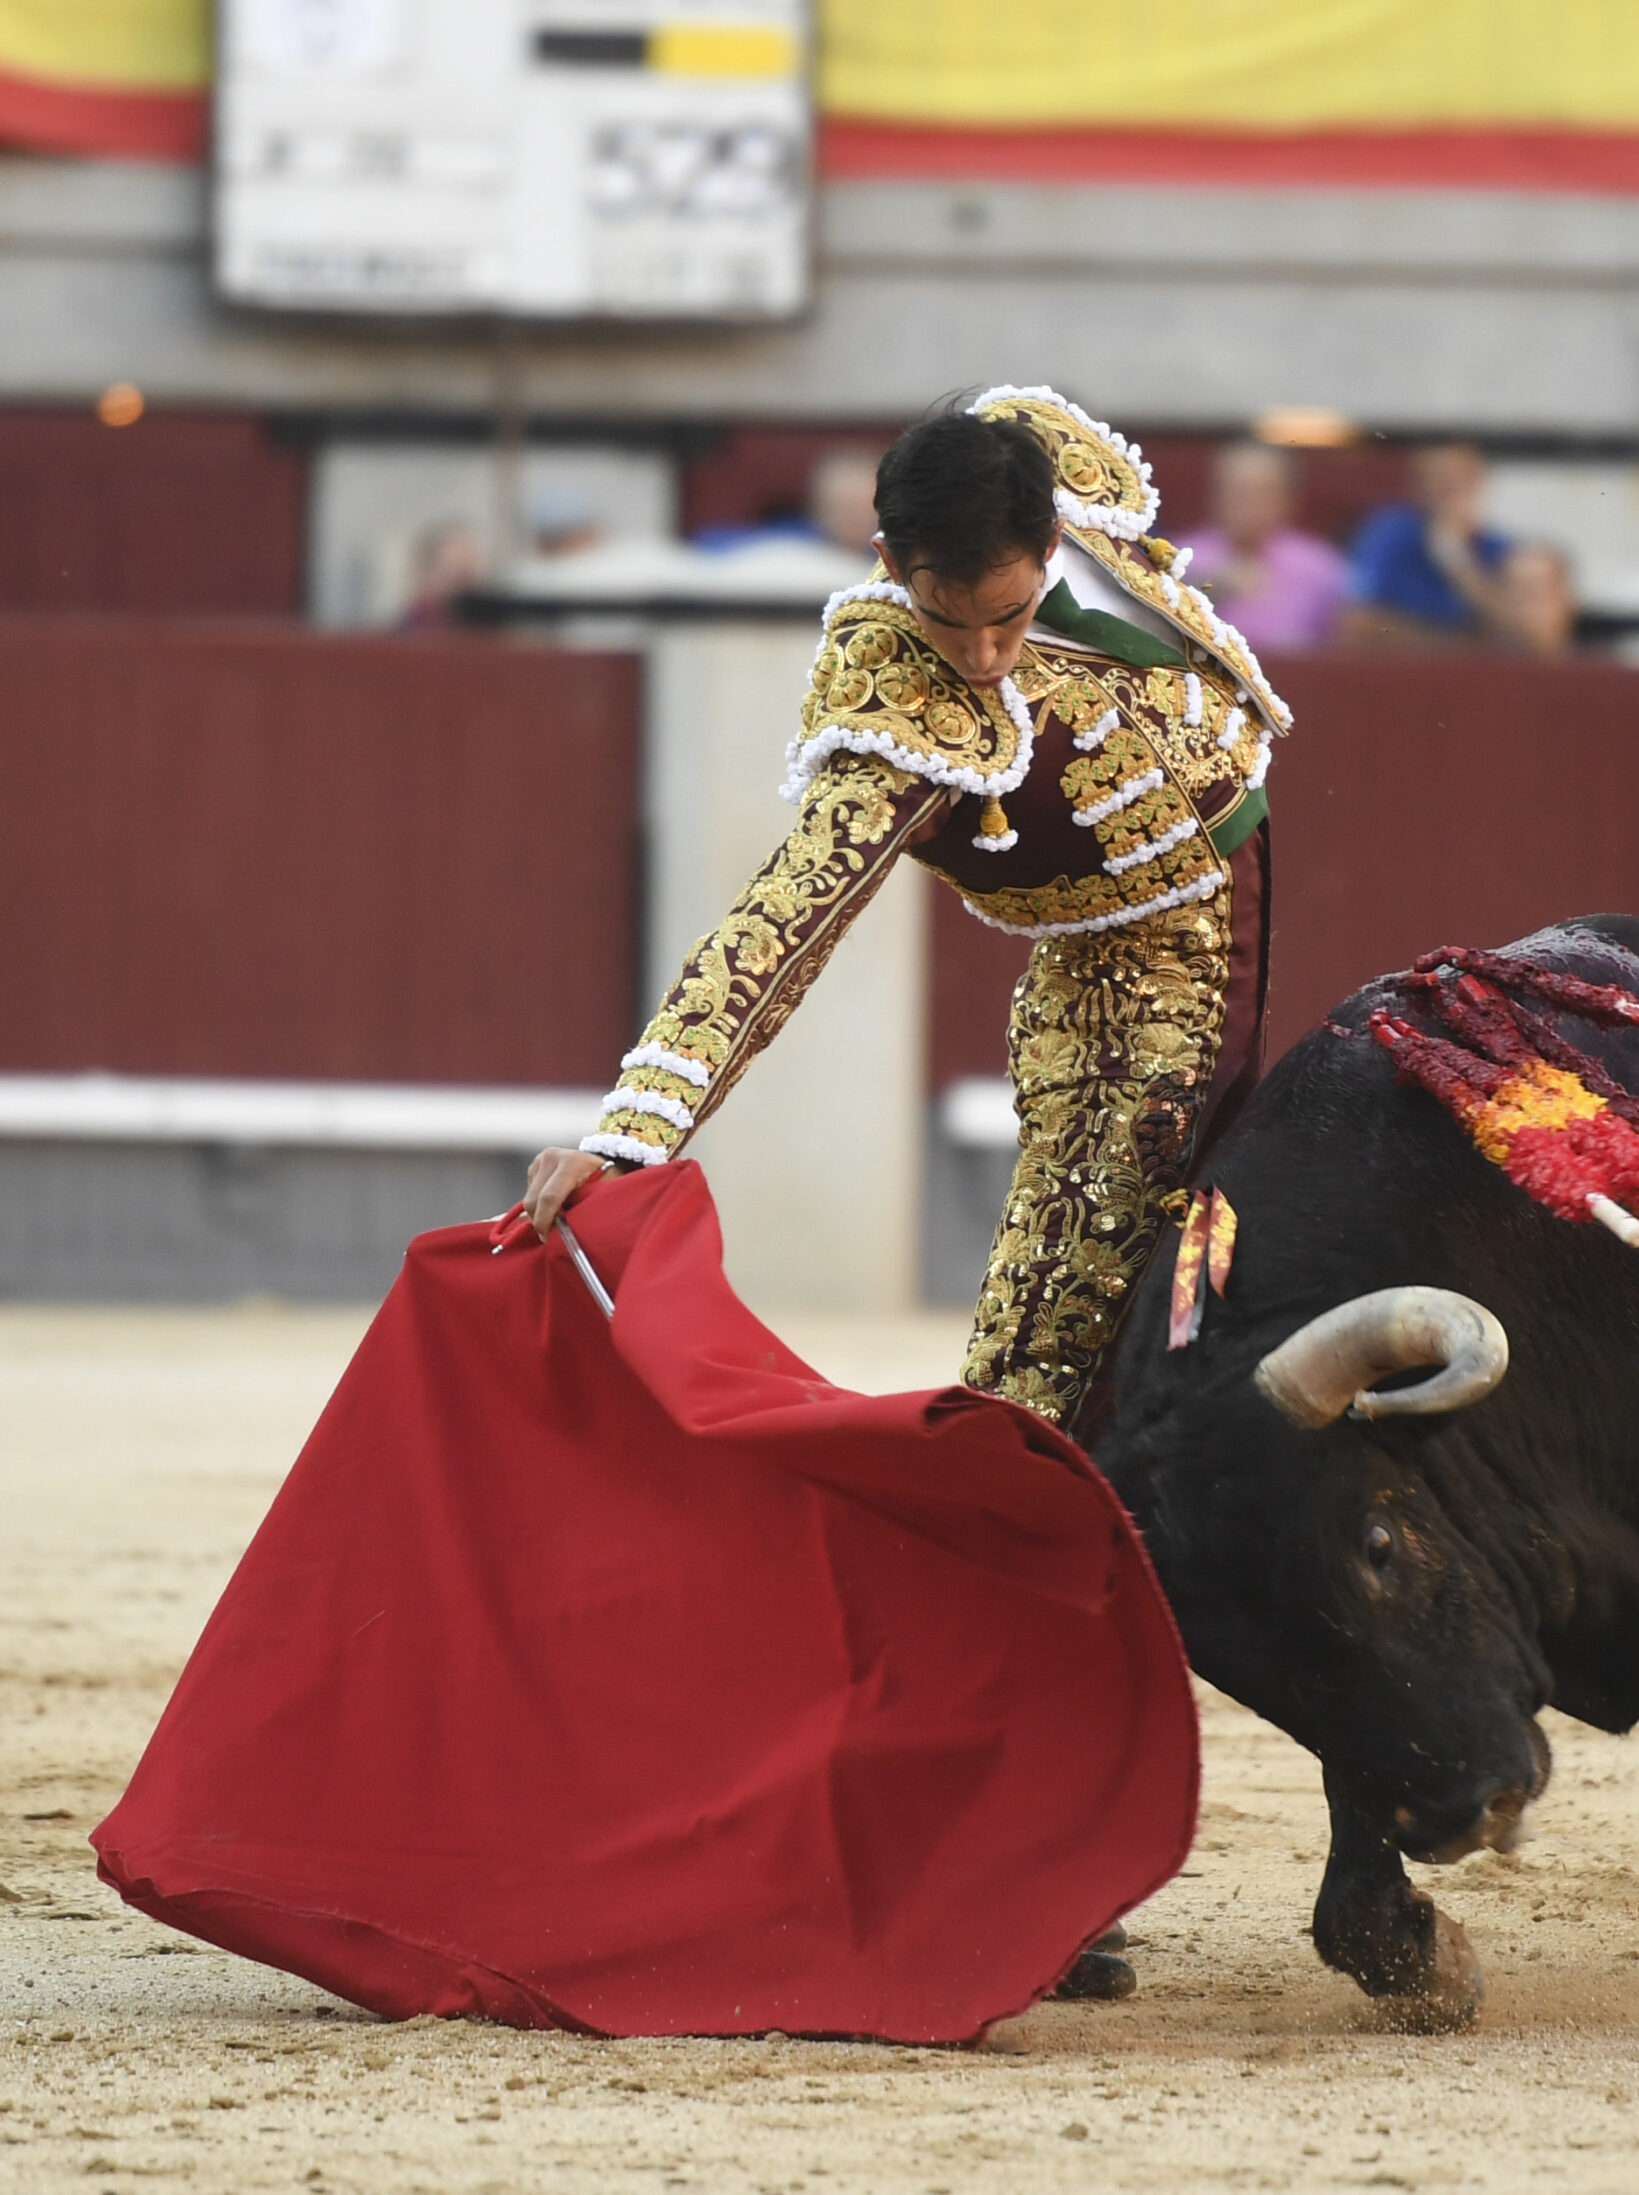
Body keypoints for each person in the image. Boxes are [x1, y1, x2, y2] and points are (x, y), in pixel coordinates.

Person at [524, 392, 1281, 1950]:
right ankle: (1017, 1840)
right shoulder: (898, 714)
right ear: (891, 568)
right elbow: (782, 922)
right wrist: (630, 1131)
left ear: (1050, 540)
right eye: (949, 619)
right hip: (1126, 1022)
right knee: (1032, 1404)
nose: (983, 656)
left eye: (1005, 615)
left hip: (1230, 958)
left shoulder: (1047, 471)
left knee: (1120, 1384)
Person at [1170, 439, 1347, 649]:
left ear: (1286, 497)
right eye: (1234, 489)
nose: (1242, 501)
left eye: (1258, 491)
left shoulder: (1320, 568)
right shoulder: (1176, 558)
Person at [1339, 440, 1511, 645]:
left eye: (1458, 479)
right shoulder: (1388, 536)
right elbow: (1356, 622)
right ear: (1416, 486)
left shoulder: (1497, 547)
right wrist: (1455, 646)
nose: (1449, 489)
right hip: (1401, 664)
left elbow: (1513, 632)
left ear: (1478, 482)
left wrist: (1456, 561)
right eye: (1437, 479)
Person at [1496, 539, 1579, 656]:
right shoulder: (1480, 662)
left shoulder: (1597, 663)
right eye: (1518, 593)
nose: (1526, 608)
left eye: (1535, 593)